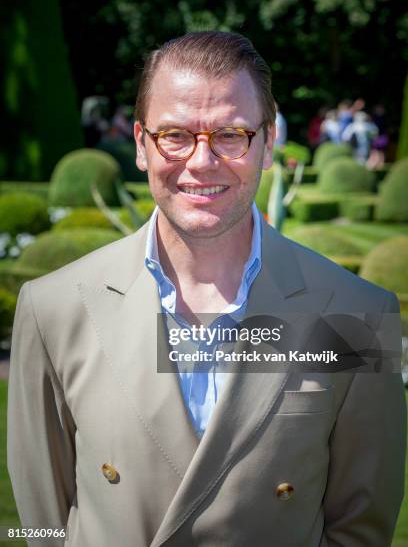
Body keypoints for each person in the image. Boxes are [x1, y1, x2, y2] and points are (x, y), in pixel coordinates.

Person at [7, 31, 406, 547]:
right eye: (175, 134)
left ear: (266, 144)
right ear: (140, 145)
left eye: (231, 134)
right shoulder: (53, 309)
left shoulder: (358, 314)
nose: (201, 161)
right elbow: (42, 524)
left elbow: (361, 529)